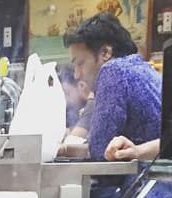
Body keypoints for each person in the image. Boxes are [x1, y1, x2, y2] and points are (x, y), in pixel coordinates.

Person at [63, 13, 162, 165]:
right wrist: (61, 149)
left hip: (147, 181)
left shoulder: (113, 71)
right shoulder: (138, 68)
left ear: (105, 53)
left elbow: (99, 150)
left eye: (80, 63)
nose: (76, 74)